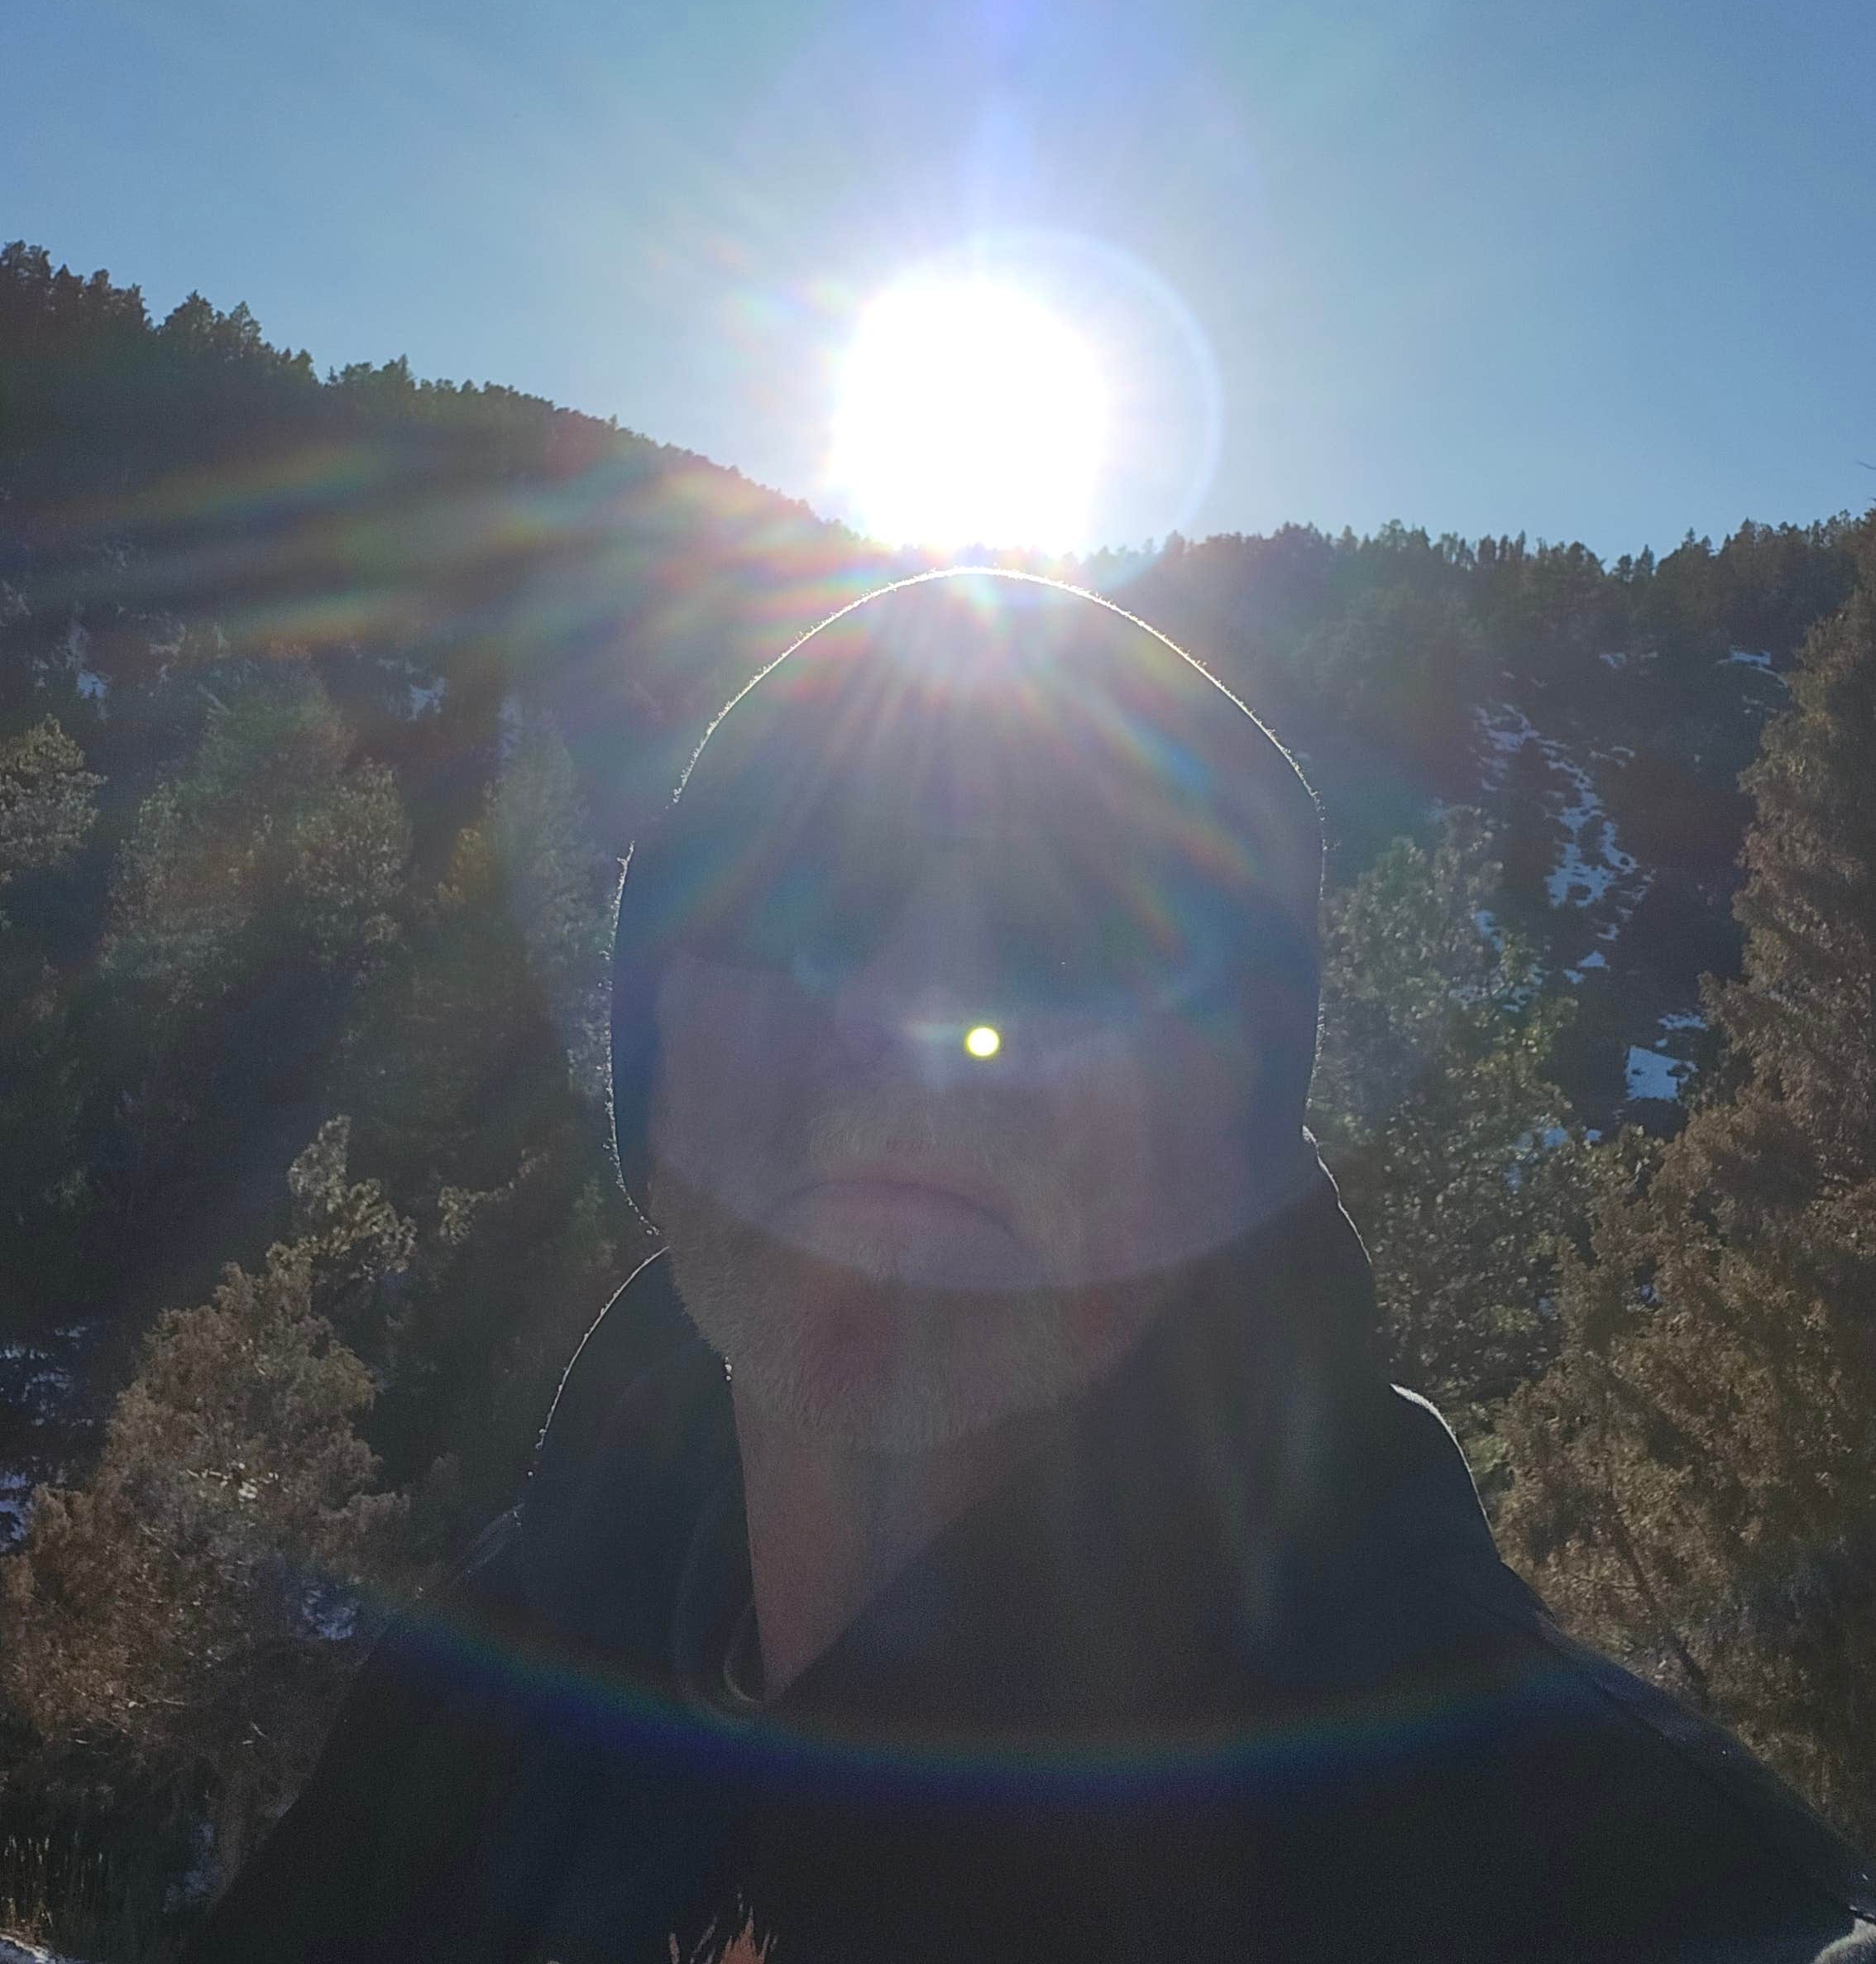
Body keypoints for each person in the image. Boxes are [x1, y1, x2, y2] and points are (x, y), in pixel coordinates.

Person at [188, 568, 1875, 1962]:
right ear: (656, 1081)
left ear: (1236, 1140)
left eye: (1086, 945)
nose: (933, 1037)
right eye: (811, 909)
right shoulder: (507, 1671)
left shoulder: (1562, 1860)